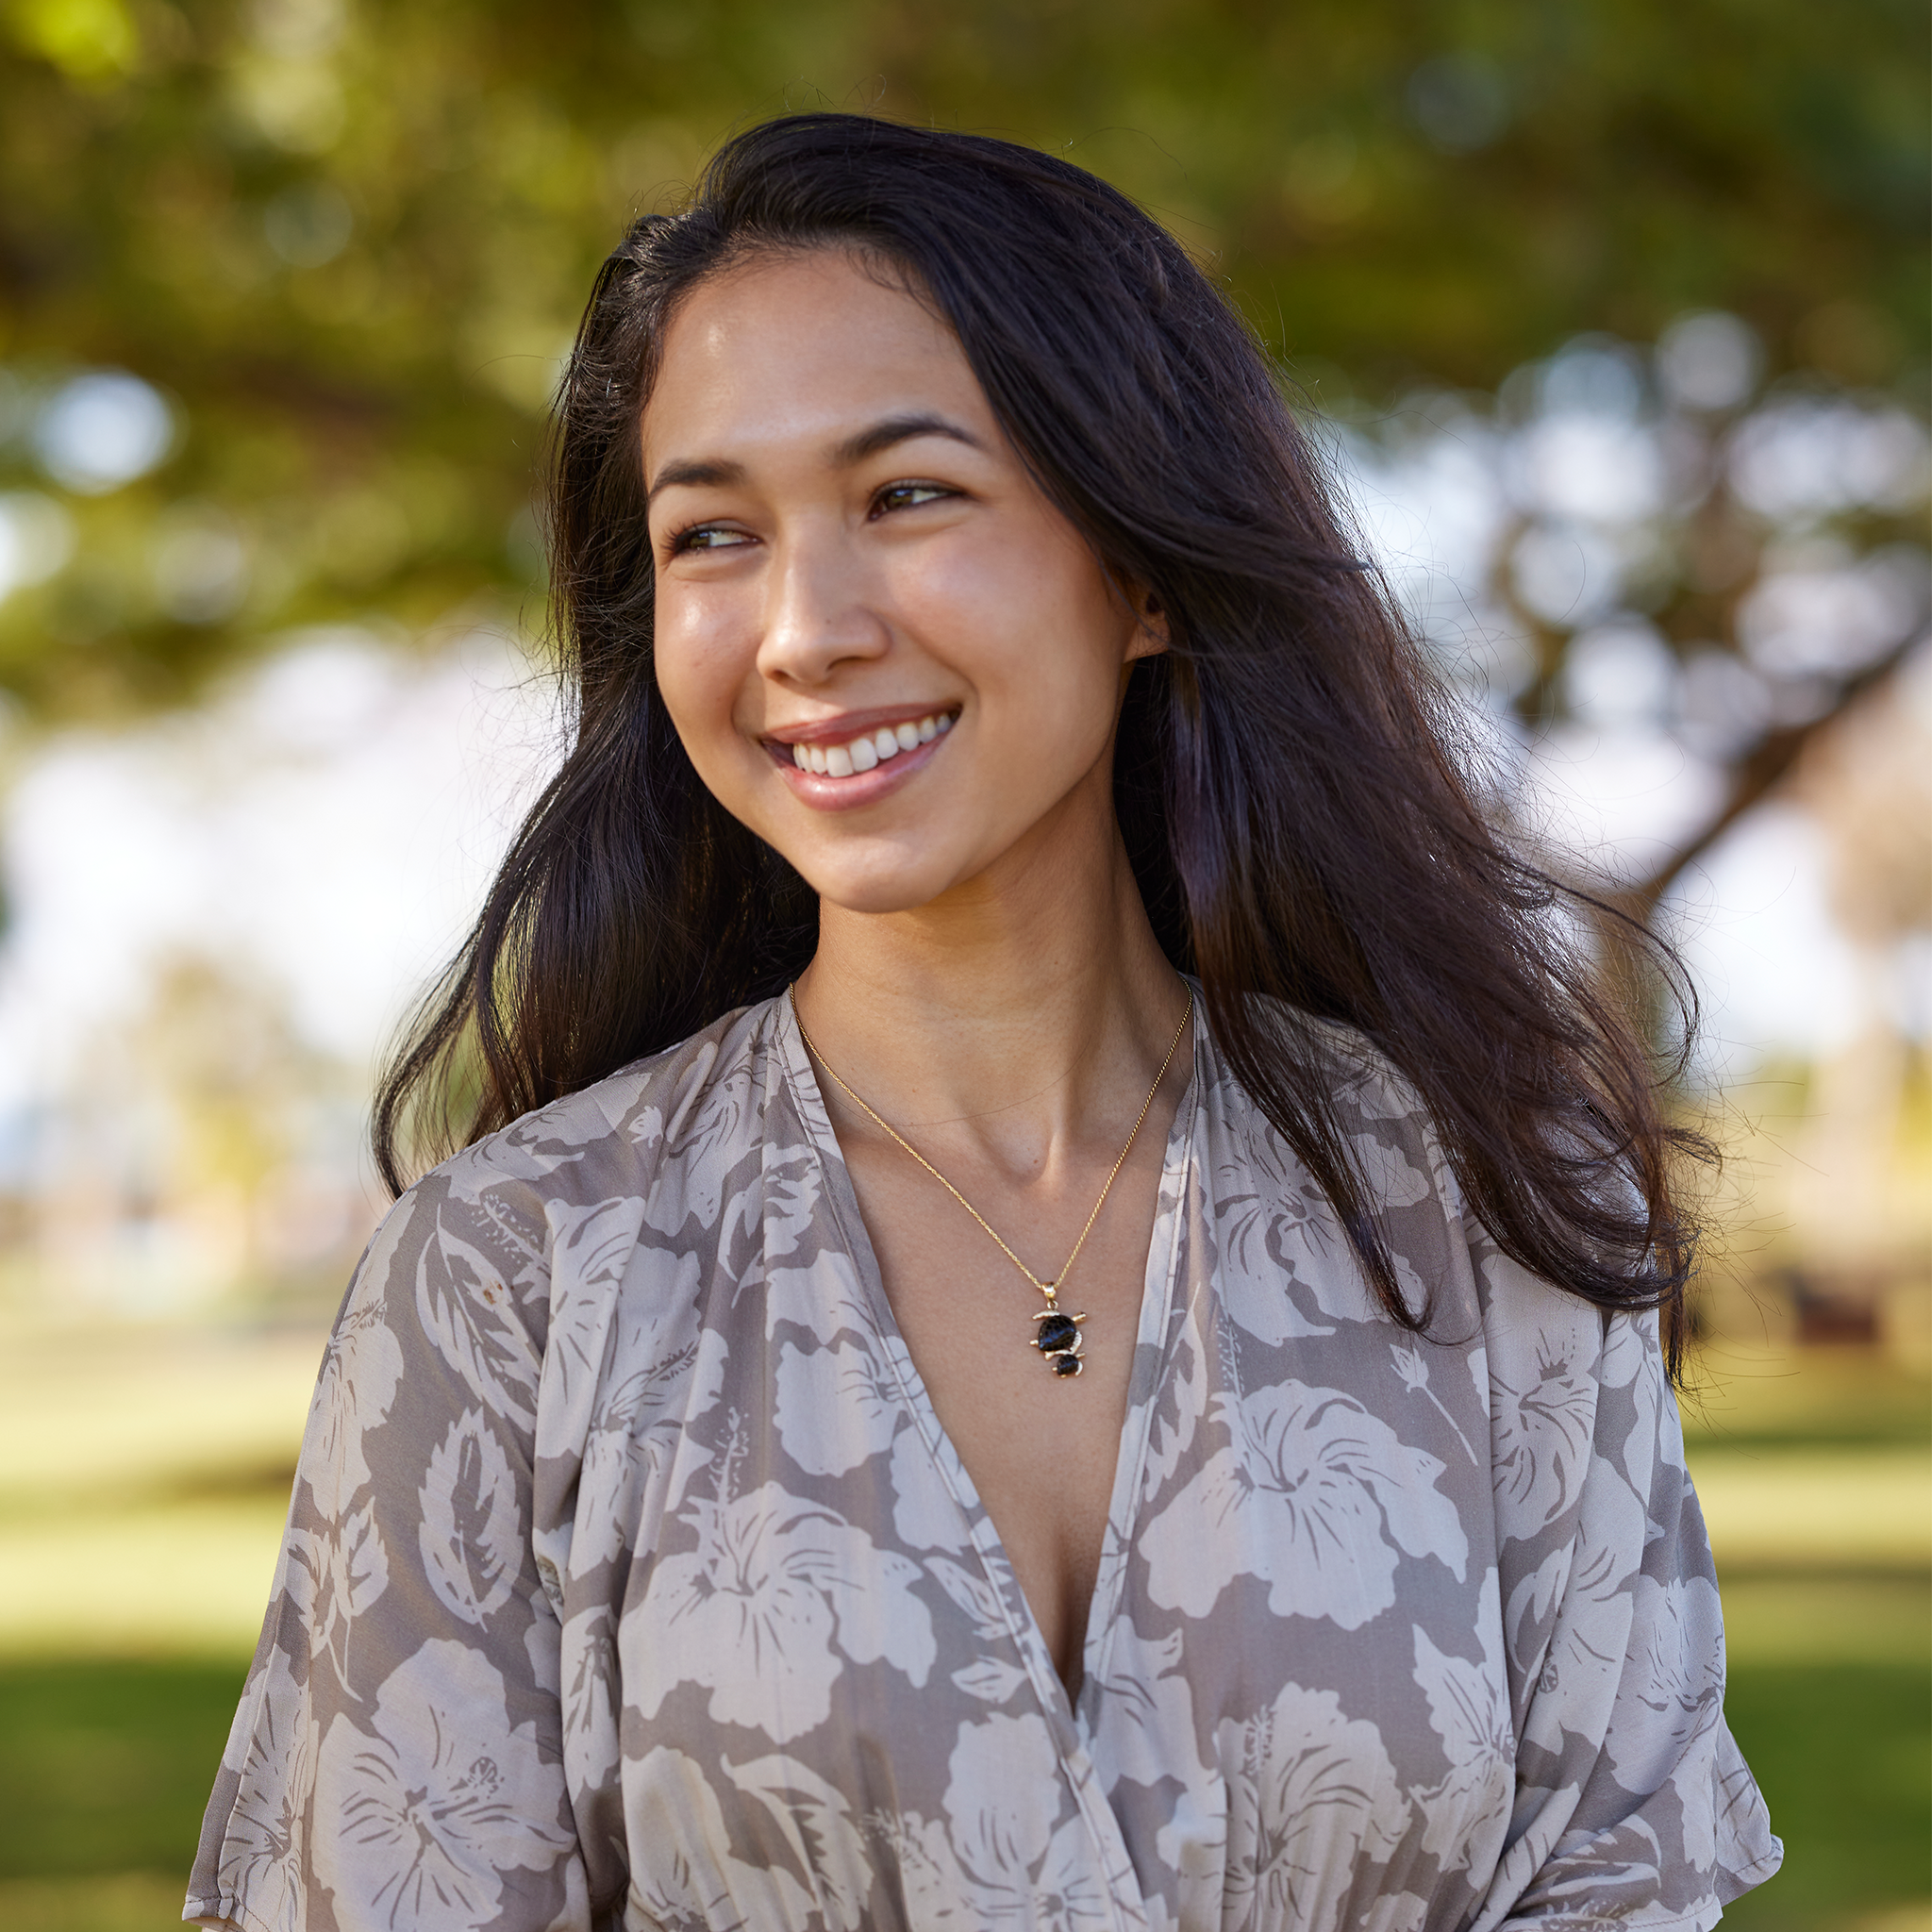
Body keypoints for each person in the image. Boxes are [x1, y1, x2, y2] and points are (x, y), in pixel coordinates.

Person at [186, 112, 1780, 1932]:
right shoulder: (511, 1282)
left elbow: (1619, 1875)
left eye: (908, 495)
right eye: (714, 533)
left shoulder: (1481, 1190)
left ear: (1148, 568)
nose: (802, 628)